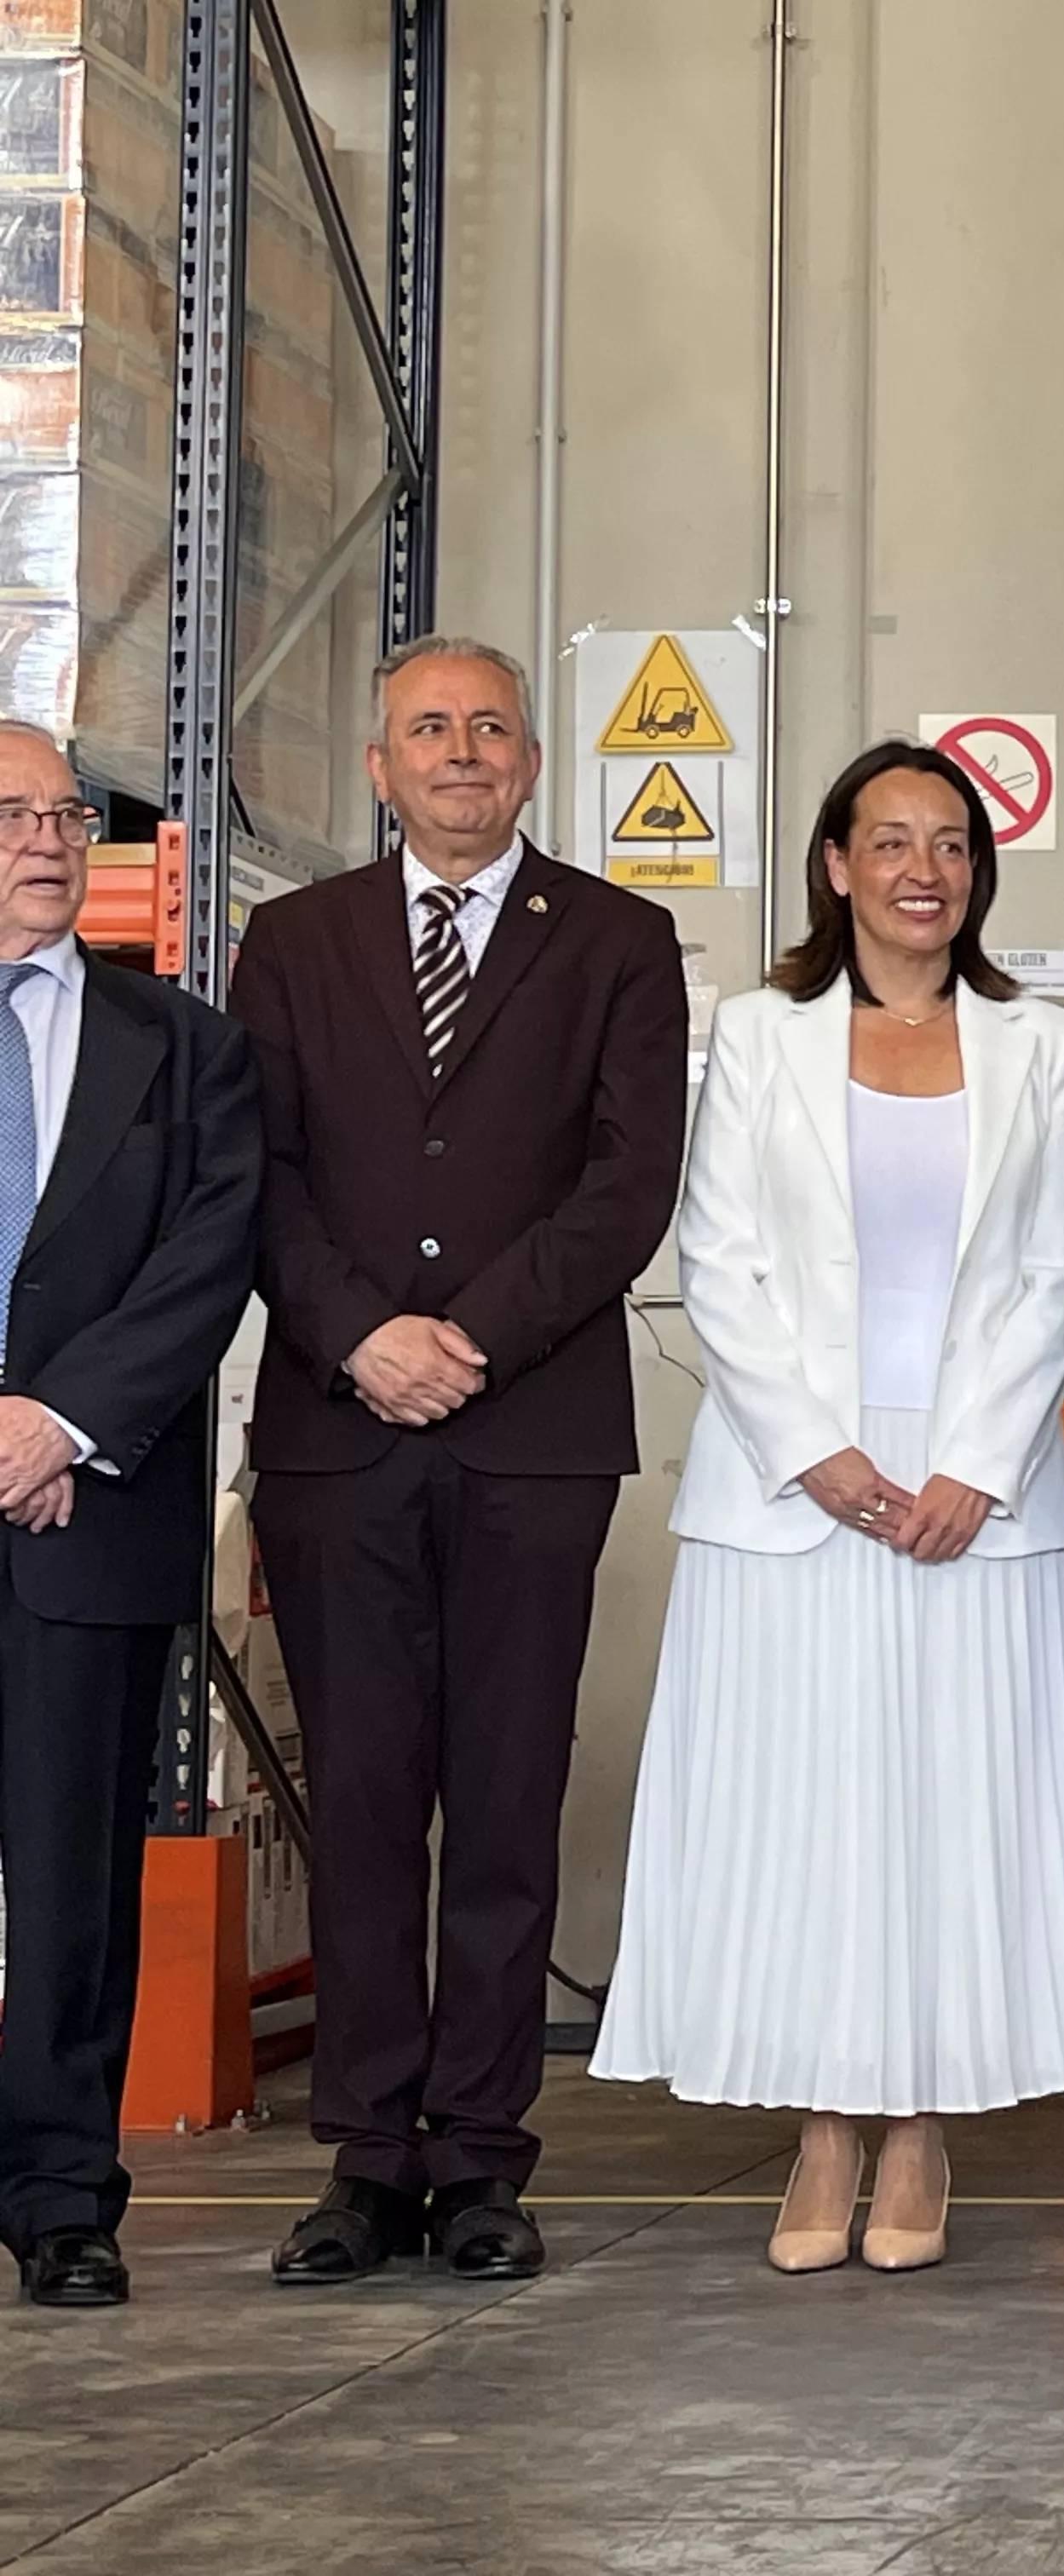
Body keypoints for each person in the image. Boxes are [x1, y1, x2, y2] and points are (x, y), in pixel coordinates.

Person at [589, 743, 1064, 2271]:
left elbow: (1055, 1270)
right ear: (835, 866)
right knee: (808, 1811)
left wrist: (974, 1462)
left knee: (946, 1813)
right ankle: (823, 2131)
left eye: (949, 844)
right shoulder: (758, 1034)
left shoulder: (1041, 1048)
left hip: (976, 1490)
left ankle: (921, 2134)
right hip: (794, 1491)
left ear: (978, 870)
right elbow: (722, 1258)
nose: (921, 870)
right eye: (889, 842)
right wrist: (816, 1450)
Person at [231, 636, 687, 2286]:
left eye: (490, 727)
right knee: (359, 1804)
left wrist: (470, 1338)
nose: (463, 751)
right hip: (336, 1435)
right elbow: (258, 1174)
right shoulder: (290, 944)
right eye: (430, 728)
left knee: (503, 1804)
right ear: (379, 765)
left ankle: (484, 2158)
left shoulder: (622, 944)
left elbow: (629, 1186)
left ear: (535, 760)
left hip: (531, 1436)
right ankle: (364, 2161)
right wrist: (364, 1336)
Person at [0, 725, 259, 2309]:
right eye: (12, 813)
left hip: (84, 1509)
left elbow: (208, 1256)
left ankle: (61, 2194)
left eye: (64, 814)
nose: (44, 836)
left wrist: (57, 1422)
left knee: (77, 1870)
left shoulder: (182, 1042)